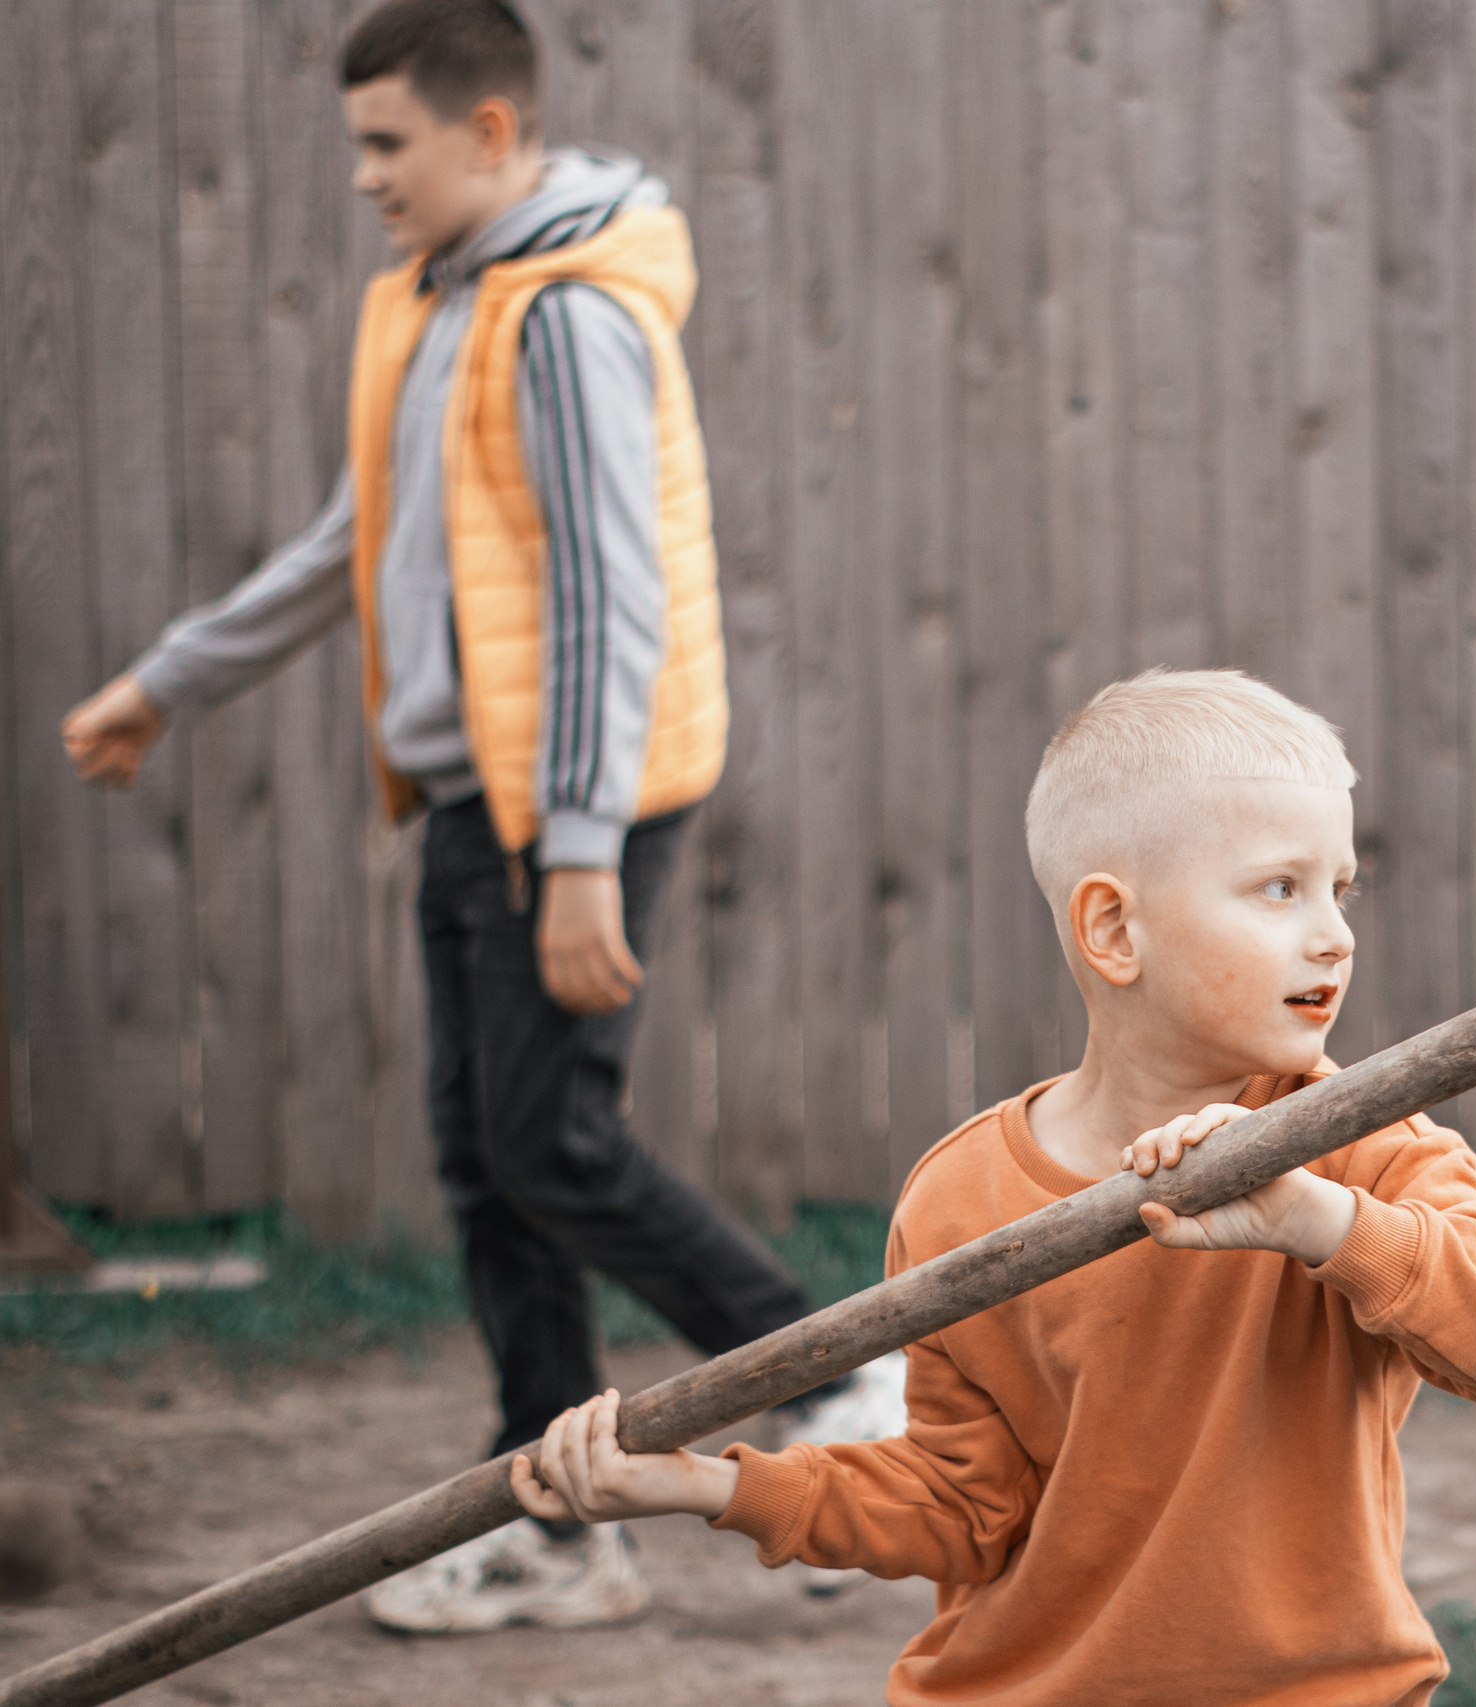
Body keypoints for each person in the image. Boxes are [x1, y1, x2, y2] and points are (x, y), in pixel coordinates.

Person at [59, 0, 888, 1633]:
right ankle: (561, 1518)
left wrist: (577, 851)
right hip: (474, 794)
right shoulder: (442, 301)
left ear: (488, 131)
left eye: (388, 144)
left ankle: (840, 1378)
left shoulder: (563, 314)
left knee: (549, 1141)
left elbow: (607, 595)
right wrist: (171, 679)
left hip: (565, 802)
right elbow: (355, 536)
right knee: (488, 1158)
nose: (365, 176)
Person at [515, 668, 1476, 1706]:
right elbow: (961, 1506)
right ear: (1114, 928)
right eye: (1281, 888)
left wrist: (1318, 1220)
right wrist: (707, 1485)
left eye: (1340, 888)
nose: (1334, 934)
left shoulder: (1358, 1147)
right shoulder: (961, 1197)